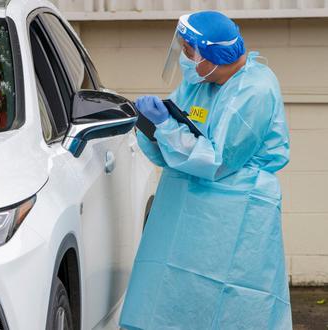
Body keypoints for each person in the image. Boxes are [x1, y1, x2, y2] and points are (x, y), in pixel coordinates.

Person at [119, 11, 291, 329]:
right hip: (188, 213)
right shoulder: (200, 82)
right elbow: (172, 143)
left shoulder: (255, 91)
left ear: (211, 55)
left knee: (235, 304)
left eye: (189, 52)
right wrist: (151, 125)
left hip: (236, 212)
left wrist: (165, 128)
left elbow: (217, 160)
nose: (185, 59)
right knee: (175, 297)